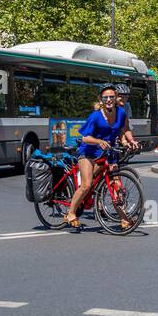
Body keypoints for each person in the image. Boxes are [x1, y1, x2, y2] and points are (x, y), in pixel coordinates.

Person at [65, 85, 137, 227]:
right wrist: (99, 141)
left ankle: (124, 219)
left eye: (111, 97)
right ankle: (71, 212)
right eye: (105, 97)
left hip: (107, 152)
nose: (109, 100)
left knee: (114, 184)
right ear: (101, 99)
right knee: (87, 184)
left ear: (116, 98)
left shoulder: (121, 113)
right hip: (88, 153)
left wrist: (130, 141)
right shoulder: (96, 116)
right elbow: (85, 138)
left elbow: (124, 129)